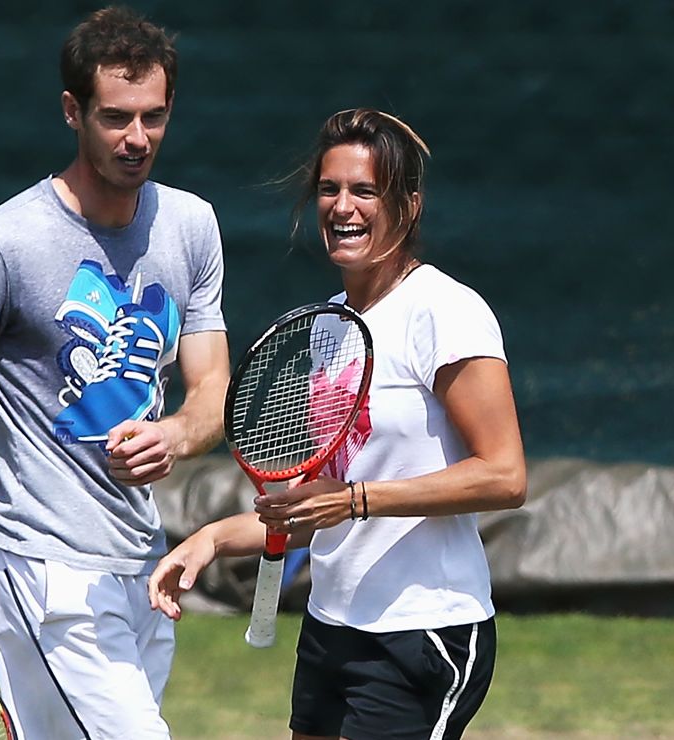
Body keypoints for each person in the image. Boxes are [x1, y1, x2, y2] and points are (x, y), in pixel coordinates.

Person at [0, 7, 230, 739]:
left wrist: (177, 434)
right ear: (73, 111)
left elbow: (212, 391)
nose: (137, 139)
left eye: (154, 117)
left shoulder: (191, 225)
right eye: (116, 117)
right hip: (43, 573)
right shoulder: (1, 245)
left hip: (143, 566)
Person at [148, 108, 526, 740]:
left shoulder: (446, 312)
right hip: (332, 627)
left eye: (364, 190)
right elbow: (313, 507)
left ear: (408, 204)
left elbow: (506, 476)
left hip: (422, 632)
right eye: (330, 189)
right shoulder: (330, 326)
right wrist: (210, 539)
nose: (342, 206)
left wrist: (356, 501)